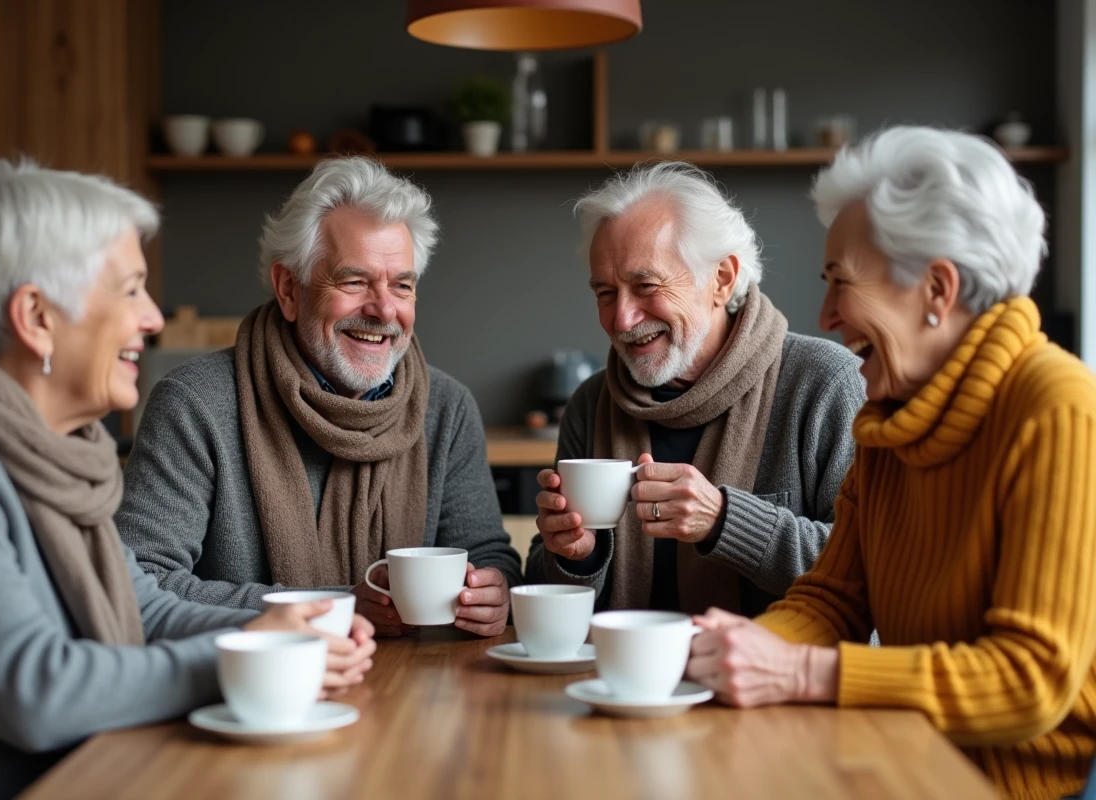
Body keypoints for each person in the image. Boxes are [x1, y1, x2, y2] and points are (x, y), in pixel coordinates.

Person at [0, 162, 376, 799]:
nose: (153, 319)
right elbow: (32, 691)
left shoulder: (60, 446)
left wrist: (293, 629)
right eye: (130, 291)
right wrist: (243, 657)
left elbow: (140, 607)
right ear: (37, 316)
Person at [685, 126, 1096, 800]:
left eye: (840, 284)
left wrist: (799, 675)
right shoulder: (893, 421)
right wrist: (733, 651)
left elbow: (1032, 679)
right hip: (900, 758)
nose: (825, 316)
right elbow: (832, 598)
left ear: (936, 289)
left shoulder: (1054, 406)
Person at [117, 157, 522, 637]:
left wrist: (493, 591)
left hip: (419, 689)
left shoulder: (447, 409)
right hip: (256, 692)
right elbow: (136, 582)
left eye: (402, 286)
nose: (384, 309)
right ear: (289, 288)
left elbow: (490, 557)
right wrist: (333, 608)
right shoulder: (193, 405)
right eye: (354, 282)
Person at [526, 162, 864, 615]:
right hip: (617, 677)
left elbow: (872, 571)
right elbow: (540, 583)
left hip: (772, 681)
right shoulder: (592, 403)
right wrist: (574, 553)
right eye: (605, 293)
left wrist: (725, 520)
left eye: (645, 285)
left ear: (721, 279)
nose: (622, 319)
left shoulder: (824, 384)